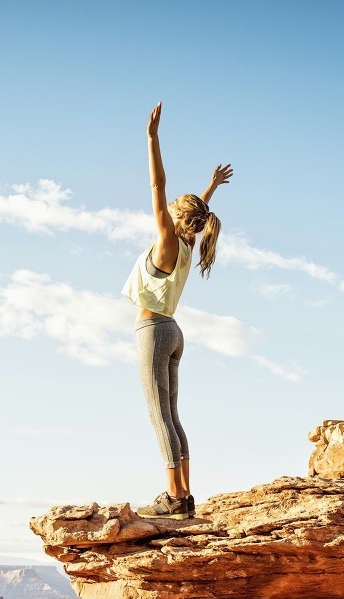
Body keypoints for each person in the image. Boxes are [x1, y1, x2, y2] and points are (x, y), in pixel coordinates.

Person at [122, 101, 232, 519]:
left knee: (159, 416)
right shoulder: (186, 243)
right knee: (172, 415)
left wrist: (151, 139)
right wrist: (210, 189)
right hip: (174, 332)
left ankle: (173, 497)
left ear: (176, 219)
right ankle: (184, 495)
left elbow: (157, 185)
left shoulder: (168, 240)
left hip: (152, 332)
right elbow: (193, 214)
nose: (165, 211)